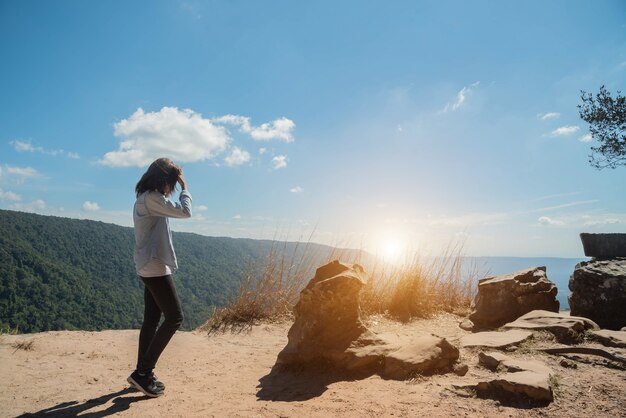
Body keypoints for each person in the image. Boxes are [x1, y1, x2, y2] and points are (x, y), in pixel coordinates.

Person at [127, 157, 192, 397]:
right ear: (164, 180)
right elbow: (185, 212)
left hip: (148, 265)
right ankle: (143, 373)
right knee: (175, 317)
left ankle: (142, 374)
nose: (171, 189)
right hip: (155, 266)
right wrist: (185, 188)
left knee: (152, 320)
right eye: (171, 184)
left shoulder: (145, 199)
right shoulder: (153, 200)